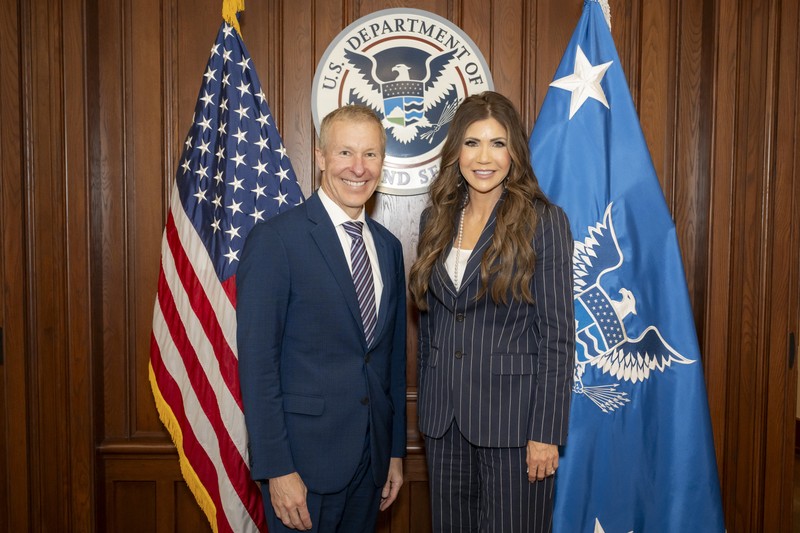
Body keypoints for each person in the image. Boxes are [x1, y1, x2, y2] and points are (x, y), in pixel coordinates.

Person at [409, 91, 575, 532]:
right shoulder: (436, 219)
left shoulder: (544, 221)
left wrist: (547, 432)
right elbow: (430, 325)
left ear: (514, 152)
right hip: (444, 426)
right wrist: (429, 405)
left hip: (516, 428)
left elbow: (557, 336)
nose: (484, 157)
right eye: (472, 143)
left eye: (497, 143)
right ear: (456, 152)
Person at [237, 104, 406, 532]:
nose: (358, 168)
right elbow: (258, 367)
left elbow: (390, 362)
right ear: (320, 157)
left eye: (371, 154)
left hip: (370, 465)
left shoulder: (388, 248)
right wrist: (277, 469)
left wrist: (394, 453)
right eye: (345, 152)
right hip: (303, 471)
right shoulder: (277, 240)